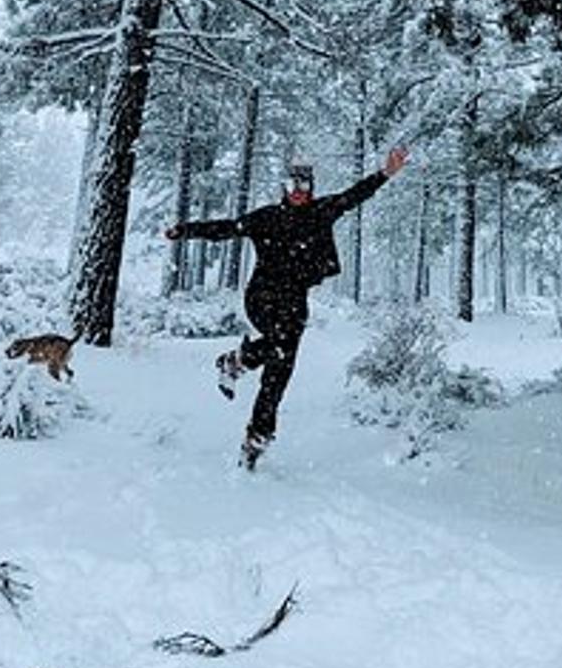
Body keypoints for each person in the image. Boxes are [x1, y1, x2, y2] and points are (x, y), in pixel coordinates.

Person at [165, 146, 409, 468]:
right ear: (284, 186)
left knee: (279, 374)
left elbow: (353, 196)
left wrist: (385, 174)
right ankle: (237, 364)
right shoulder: (267, 218)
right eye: (292, 185)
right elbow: (226, 229)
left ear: (312, 188)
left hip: (295, 303)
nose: (297, 191)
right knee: (279, 348)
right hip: (262, 298)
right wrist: (185, 230)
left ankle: (256, 437)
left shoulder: (322, 211)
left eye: (304, 185)